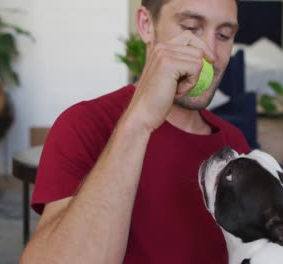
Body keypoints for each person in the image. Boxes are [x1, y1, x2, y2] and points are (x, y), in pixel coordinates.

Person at [20, 0, 249, 263]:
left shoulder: (233, 143)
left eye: (224, 35)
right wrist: (139, 121)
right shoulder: (84, 125)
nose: (210, 52)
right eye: (191, 27)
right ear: (146, 25)